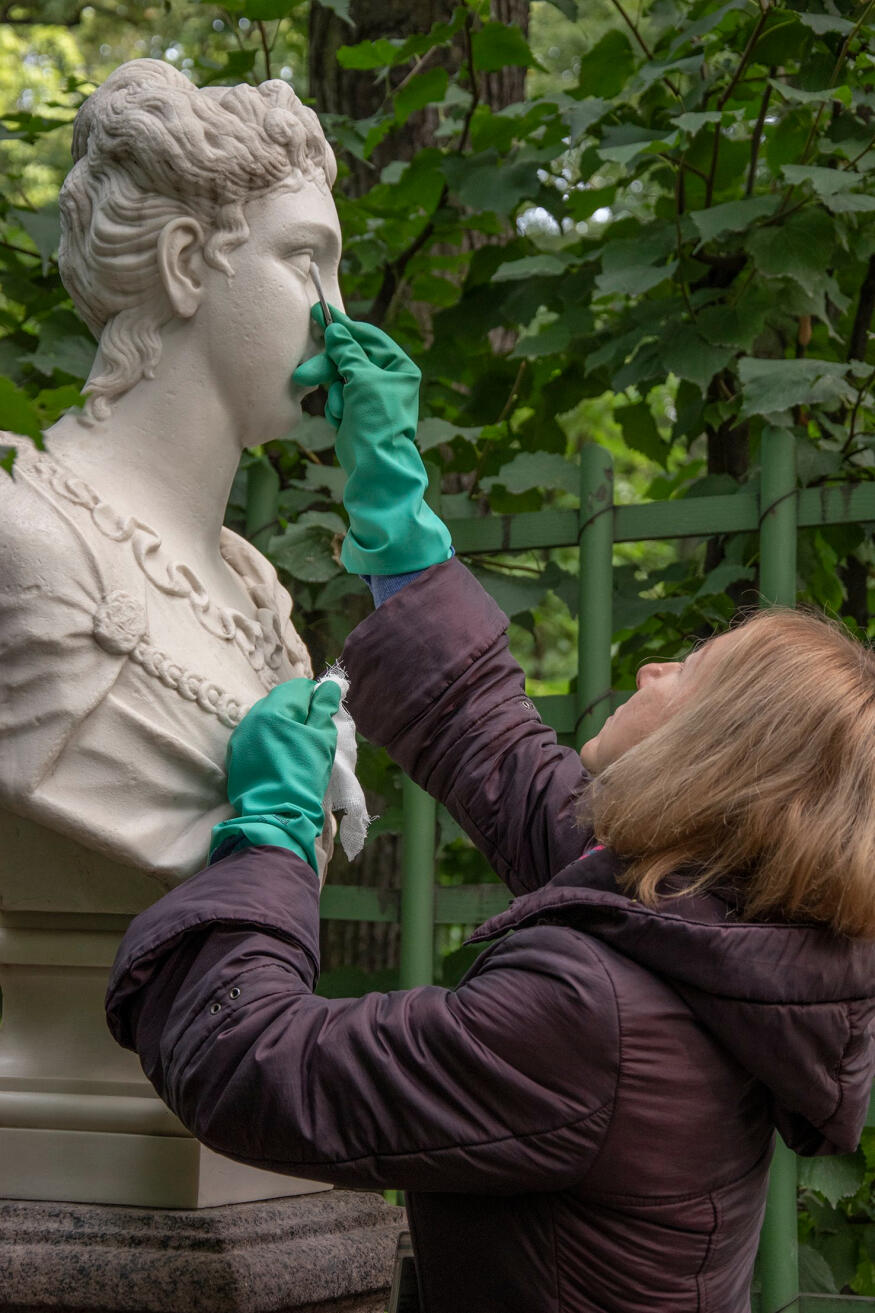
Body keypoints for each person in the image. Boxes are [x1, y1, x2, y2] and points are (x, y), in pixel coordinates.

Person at [106, 307, 875, 1312]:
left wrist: (268, 842)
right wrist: (399, 524)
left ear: (718, 758)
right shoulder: (704, 935)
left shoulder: (593, 1016)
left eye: (688, 669)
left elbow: (260, 1068)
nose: (652, 663)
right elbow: (506, 759)